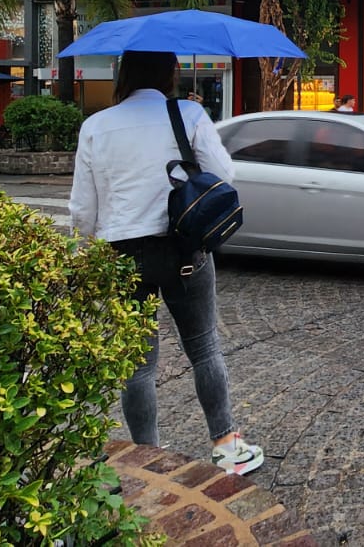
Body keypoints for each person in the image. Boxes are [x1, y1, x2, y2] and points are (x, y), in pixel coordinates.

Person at [69, 50, 263, 475]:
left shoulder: (96, 126)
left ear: (125, 74)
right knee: (204, 346)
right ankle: (227, 445)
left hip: (121, 253)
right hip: (181, 248)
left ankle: (147, 457)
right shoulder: (188, 114)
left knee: (138, 363)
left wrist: (84, 252)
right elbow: (224, 175)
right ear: (170, 72)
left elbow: (83, 209)